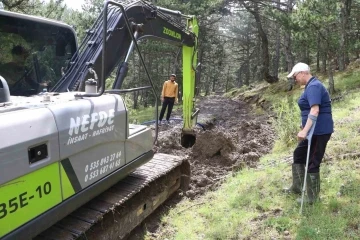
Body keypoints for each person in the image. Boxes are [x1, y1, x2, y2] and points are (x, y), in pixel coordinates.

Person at [284, 62, 333, 204]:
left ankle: (312, 198)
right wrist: (304, 125)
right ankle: (297, 187)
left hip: (318, 131)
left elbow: (315, 110)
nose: (295, 79)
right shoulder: (310, 86)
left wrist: (304, 130)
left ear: (302, 73)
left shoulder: (314, 86)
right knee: (298, 154)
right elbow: (308, 110)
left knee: (313, 162)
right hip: (312, 130)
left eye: (295, 76)